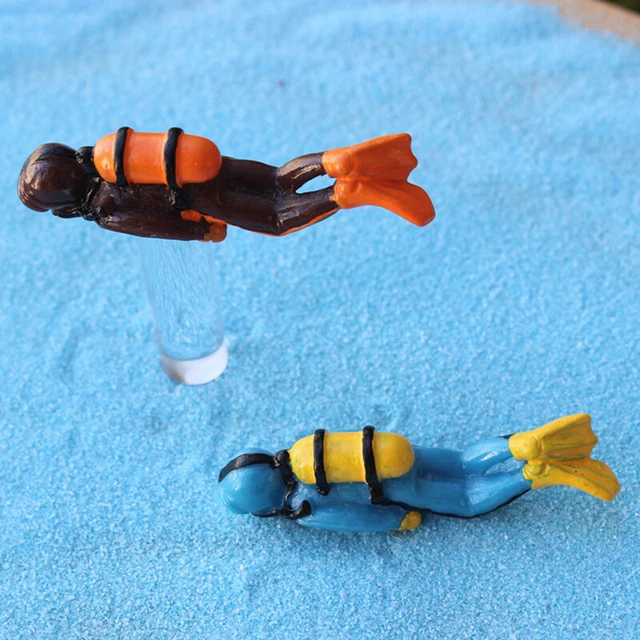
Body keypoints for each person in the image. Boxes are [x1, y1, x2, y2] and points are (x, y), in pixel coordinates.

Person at [218, 414, 620, 532]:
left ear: (263, 507)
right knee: (463, 462)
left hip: (397, 488)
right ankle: (516, 445)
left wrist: (397, 521)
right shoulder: (301, 451)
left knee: (465, 499)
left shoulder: (303, 508)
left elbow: (353, 518)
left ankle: (533, 474)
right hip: (401, 452)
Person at [18, 128, 435, 242]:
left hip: (199, 197)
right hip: (210, 163)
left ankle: (342, 193)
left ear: (63, 206)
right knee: (276, 178)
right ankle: (331, 161)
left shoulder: (104, 209)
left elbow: (154, 225)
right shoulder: (108, 154)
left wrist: (200, 231)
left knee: (275, 218)